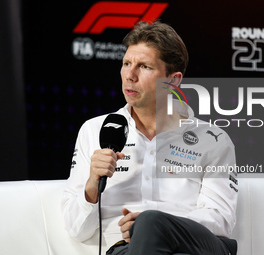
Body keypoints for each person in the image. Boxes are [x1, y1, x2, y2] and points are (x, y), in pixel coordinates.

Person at [62, 21, 238, 255]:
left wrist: (153, 225)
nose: (130, 76)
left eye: (144, 66)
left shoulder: (213, 139)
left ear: (173, 80)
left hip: (195, 248)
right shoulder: (94, 131)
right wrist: (92, 185)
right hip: (126, 250)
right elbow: (76, 229)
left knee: (149, 223)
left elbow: (221, 218)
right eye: (126, 64)